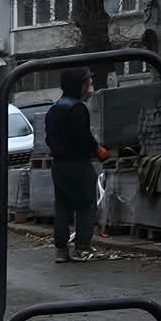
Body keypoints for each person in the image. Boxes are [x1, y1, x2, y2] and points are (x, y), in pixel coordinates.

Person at [44, 67, 108, 263]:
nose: (89, 89)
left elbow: (48, 139)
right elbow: (83, 137)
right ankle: (82, 247)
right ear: (79, 87)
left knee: (62, 207)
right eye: (87, 85)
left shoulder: (54, 110)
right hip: (78, 165)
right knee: (86, 205)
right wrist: (97, 149)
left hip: (59, 166)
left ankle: (61, 250)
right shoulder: (78, 109)